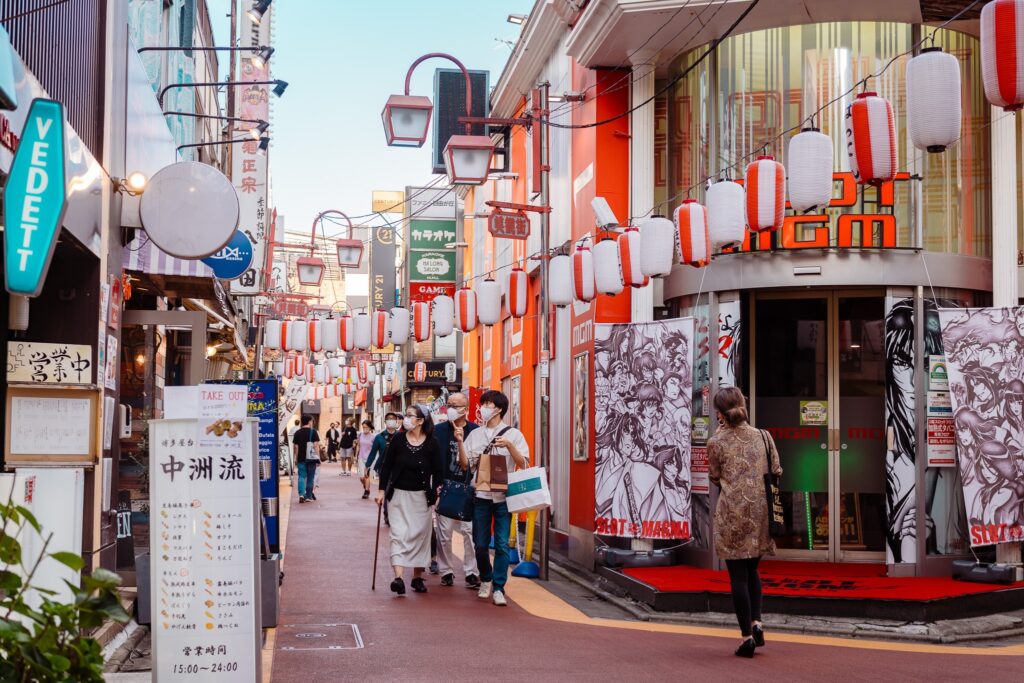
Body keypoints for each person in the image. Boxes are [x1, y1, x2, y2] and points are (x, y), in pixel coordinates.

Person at [707, 387, 782, 658]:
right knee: (752, 571)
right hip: (760, 511)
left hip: (732, 512)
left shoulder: (716, 441)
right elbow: (776, 470)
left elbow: (715, 477)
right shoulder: (763, 436)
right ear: (742, 405)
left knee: (737, 577)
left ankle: (747, 637)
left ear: (719, 412)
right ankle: (757, 620)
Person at [458, 389, 529, 607]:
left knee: (500, 544)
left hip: (503, 497)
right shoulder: (475, 434)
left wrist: (508, 445)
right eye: (483, 404)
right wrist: (460, 441)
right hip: (480, 495)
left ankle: (498, 587)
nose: (483, 408)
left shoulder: (514, 434)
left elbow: (523, 462)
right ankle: (486, 578)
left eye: (488, 404)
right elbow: (464, 465)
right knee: (479, 544)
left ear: (499, 408)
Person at [375, 405, 444, 596]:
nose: (405, 419)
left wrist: (437, 491)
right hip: (398, 495)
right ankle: (398, 578)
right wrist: (381, 491)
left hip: (421, 497)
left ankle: (417, 577)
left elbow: (439, 472)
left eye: (410, 416)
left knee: (419, 536)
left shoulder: (432, 443)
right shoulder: (397, 439)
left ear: (421, 421)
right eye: (405, 415)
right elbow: (386, 467)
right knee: (398, 534)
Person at [432, 392, 481, 588]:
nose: (451, 408)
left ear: (466, 408)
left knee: (469, 531)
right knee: (444, 531)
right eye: (449, 404)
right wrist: (435, 483)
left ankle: (471, 571)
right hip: (445, 486)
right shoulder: (438, 430)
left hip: (468, 487)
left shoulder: (475, 431)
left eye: (456, 405)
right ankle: (446, 571)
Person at [367, 413, 402, 523]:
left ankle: (396, 514)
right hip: (384, 468)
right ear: (385, 422)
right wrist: (368, 465)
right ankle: (387, 514)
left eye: (393, 419)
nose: (391, 421)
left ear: (397, 421)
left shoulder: (401, 436)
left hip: (398, 468)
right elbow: (373, 453)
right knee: (386, 491)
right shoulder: (379, 437)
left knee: (397, 492)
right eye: (388, 419)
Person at [292, 415, 321, 504]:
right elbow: (316, 445)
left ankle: (301, 494)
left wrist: (296, 458)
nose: (312, 422)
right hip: (311, 458)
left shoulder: (297, 433)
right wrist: (318, 458)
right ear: (309, 422)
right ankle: (308, 496)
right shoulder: (314, 432)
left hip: (301, 458)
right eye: (311, 421)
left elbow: (296, 447)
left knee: (301, 476)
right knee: (310, 477)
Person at [356, 419, 376, 499]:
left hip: (370, 459)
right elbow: (358, 445)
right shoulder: (360, 435)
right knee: (362, 477)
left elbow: (375, 449)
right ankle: (365, 485)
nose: (365, 429)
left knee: (366, 476)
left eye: (366, 427)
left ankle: (366, 491)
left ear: (370, 428)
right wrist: (356, 456)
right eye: (363, 427)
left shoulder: (374, 437)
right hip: (361, 457)